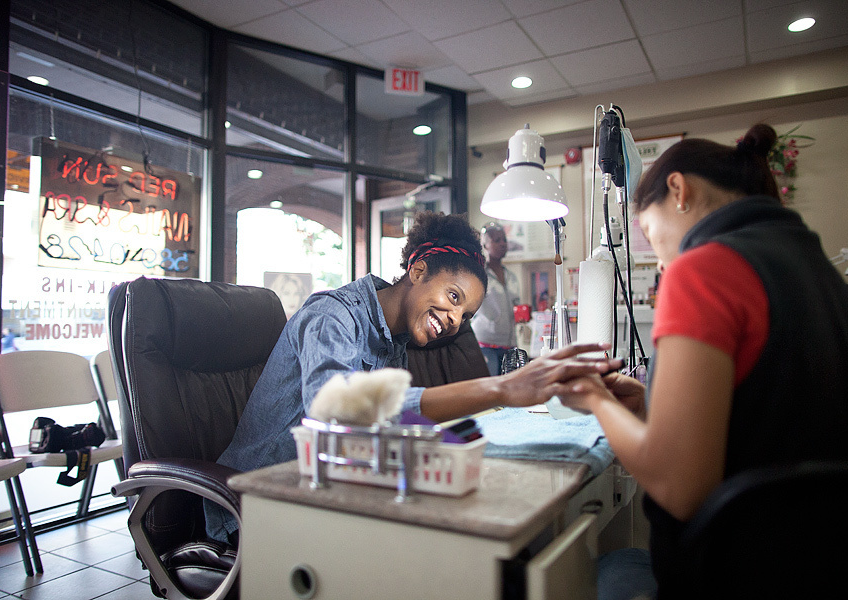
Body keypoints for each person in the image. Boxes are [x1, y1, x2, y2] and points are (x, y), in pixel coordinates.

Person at [554, 124, 848, 599]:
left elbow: (680, 486)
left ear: (678, 190)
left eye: (649, 232)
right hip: (837, 566)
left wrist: (595, 399)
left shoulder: (704, 268)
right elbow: (775, 415)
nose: (663, 262)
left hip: (737, 572)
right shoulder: (823, 273)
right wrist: (651, 404)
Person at [206, 211, 622, 542]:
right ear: (418, 270)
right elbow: (336, 409)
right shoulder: (332, 315)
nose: (455, 320)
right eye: (453, 298)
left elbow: (391, 427)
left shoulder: (394, 344)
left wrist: (470, 438)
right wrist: (500, 388)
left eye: (465, 316)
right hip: (250, 510)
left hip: (329, 494)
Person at [472, 222, 521, 375]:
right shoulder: (480, 275)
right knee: (490, 390)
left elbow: (516, 305)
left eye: (504, 240)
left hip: (509, 344)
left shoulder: (511, 276)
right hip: (485, 344)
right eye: (496, 240)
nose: (502, 244)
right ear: (485, 245)